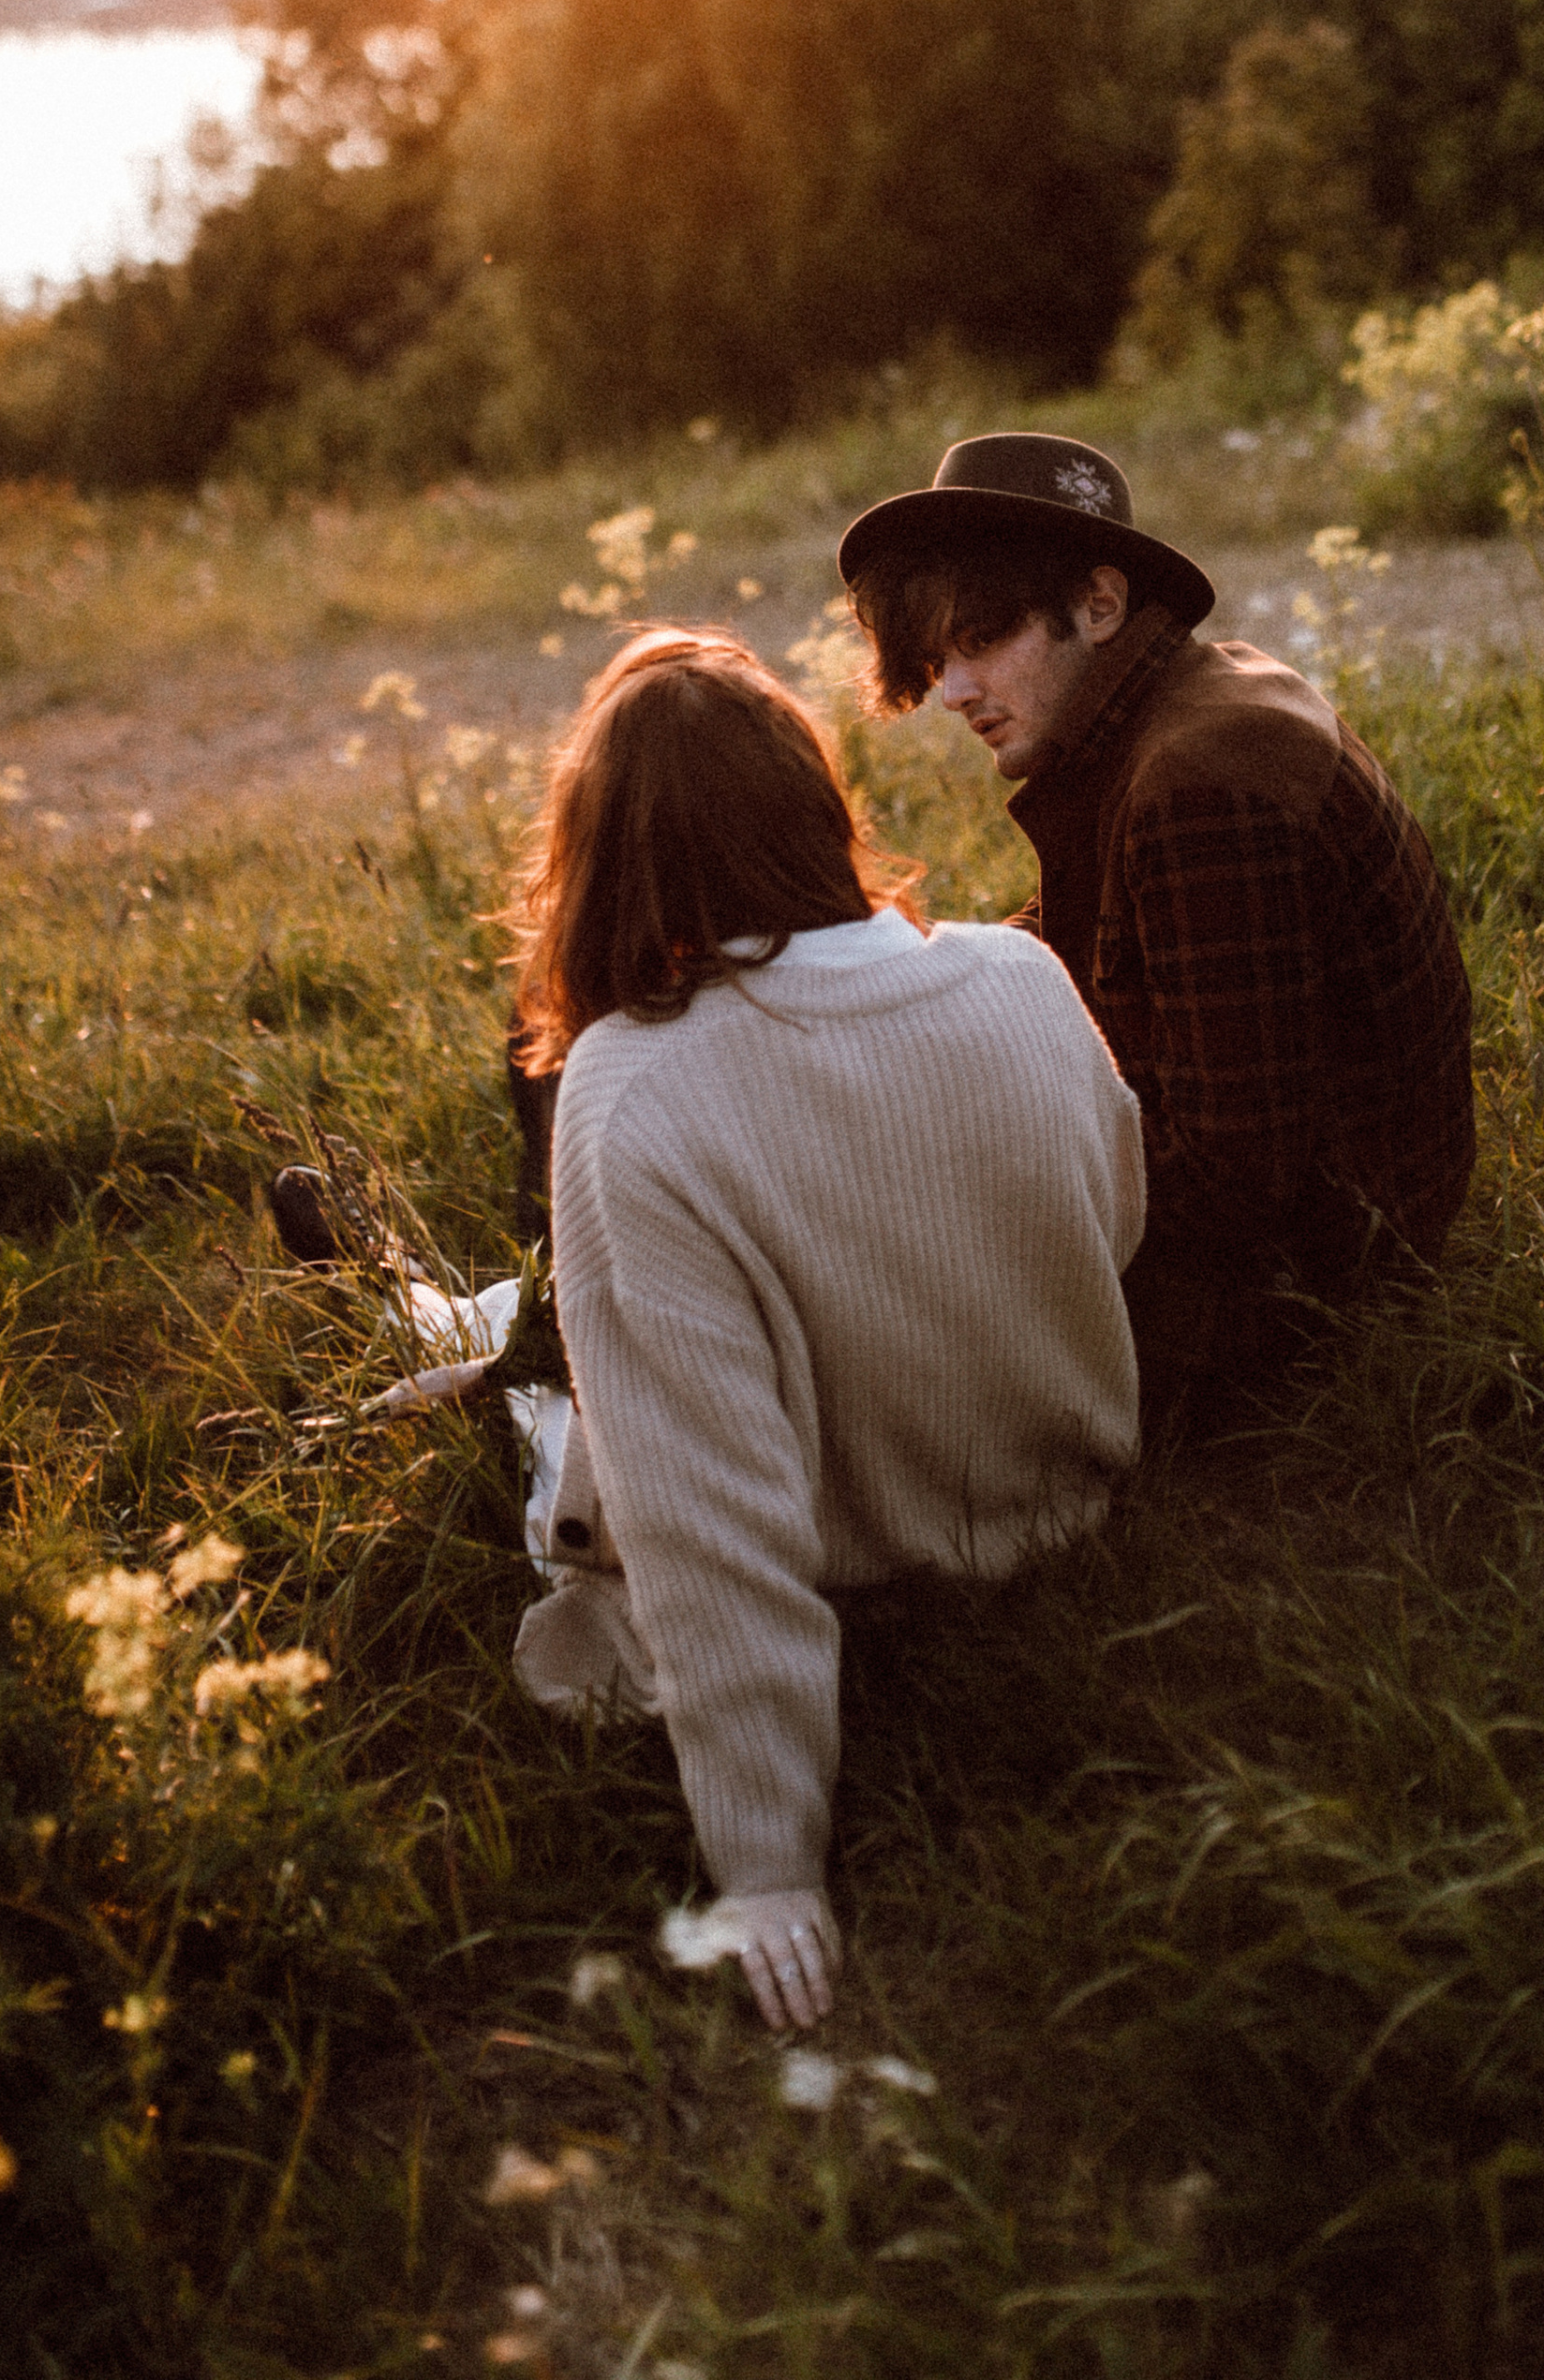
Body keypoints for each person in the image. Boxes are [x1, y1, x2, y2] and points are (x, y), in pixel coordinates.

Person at [505, 628, 1144, 2033]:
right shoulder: (1017, 975)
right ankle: (468, 1324)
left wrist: (771, 1865)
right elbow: (1117, 1223)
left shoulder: (629, 1087)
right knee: (571, 1334)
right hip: (1073, 1515)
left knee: (574, 1414)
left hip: (869, 1567)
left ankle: (457, 1334)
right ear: (817, 805)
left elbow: (706, 1522)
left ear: (601, 856)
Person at [839, 434, 1473, 1438]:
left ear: (1098, 604)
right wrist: (914, 1003)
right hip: (1339, 1211)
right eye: (934, 659)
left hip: (1314, 1284)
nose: (954, 692)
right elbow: (1098, 934)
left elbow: (1239, 1179)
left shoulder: (1199, 787)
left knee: (861, 1301)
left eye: (983, 638)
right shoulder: (1183, 699)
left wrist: (982, 1186)